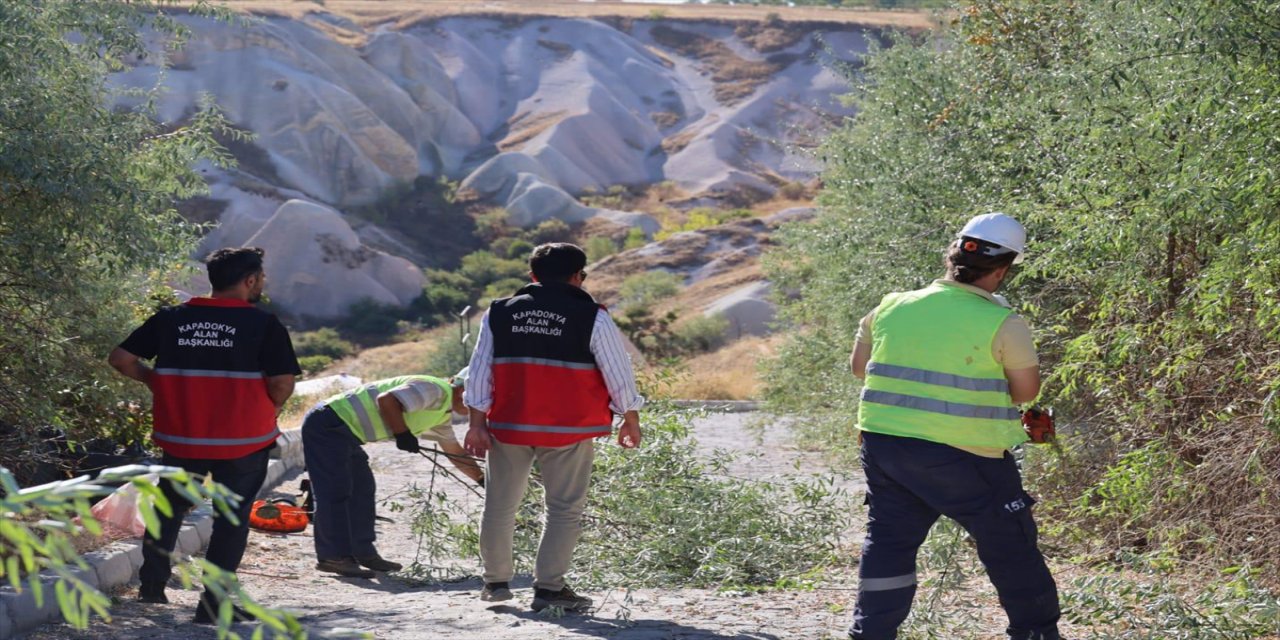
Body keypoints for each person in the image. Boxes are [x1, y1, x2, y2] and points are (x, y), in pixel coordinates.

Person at [847, 213, 1061, 640]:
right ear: (1001, 271)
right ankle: (1036, 634)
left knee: (889, 543)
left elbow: (859, 369)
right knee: (1010, 545)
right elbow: (1025, 392)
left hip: (885, 449)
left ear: (952, 258)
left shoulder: (889, 305)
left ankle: (869, 634)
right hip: (968, 458)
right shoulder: (1003, 322)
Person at [108, 247, 300, 624]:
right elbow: (281, 383)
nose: (261, 284)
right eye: (261, 278)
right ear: (249, 281)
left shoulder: (171, 319)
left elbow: (121, 359)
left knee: (170, 510)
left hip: (183, 436)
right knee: (232, 519)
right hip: (243, 440)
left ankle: (151, 587)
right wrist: (270, 408)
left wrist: (156, 382)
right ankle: (212, 605)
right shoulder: (264, 324)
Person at [464, 242, 643, 612]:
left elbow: (479, 371)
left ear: (532, 276)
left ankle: (496, 583)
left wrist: (476, 423)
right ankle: (548, 590)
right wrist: (630, 416)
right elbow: (618, 371)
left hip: (509, 426)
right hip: (568, 429)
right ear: (578, 277)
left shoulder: (499, 312)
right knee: (563, 509)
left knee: (500, 505)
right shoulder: (591, 315)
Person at [300, 368, 484, 578]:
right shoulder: (435, 389)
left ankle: (363, 553)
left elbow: (455, 452)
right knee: (335, 491)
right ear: (463, 391)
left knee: (362, 490)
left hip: (345, 432)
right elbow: (387, 400)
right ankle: (334, 557)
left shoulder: (441, 414)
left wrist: (482, 479)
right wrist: (402, 434)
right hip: (328, 423)